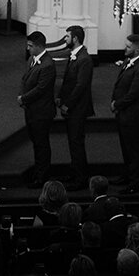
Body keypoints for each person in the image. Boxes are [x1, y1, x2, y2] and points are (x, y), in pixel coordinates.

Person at [56, 25, 94, 190]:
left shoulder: (84, 59)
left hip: (78, 109)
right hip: (72, 107)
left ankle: (81, 179)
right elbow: (68, 81)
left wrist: (67, 104)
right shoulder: (75, 56)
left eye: (67, 37)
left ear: (75, 38)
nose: (65, 39)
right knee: (73, 143)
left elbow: (81, 85)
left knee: (77, 143)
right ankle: (75, 172)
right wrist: (60, 96)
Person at [110, 34, 139, 195]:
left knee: (133, 149)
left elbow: (134, 94)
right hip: (123, 114)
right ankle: (127, 175)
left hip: (132, 115)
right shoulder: (129, 62)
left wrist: (116, 104)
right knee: (126, 147)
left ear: (137, 49)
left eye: (128, 47)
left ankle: (135, 182)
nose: (125, 49)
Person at [19, 31, 56, 189]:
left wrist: (24, 98)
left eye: (30, 46)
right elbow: (25, 79)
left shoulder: (48, 64)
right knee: (36, 142)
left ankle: (42, 176)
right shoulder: (32, 59)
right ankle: (38, 171)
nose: (27, 48)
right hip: (32, 109)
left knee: (41, 144)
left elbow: (41, 88)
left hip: (41, 111)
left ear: (39, 46)